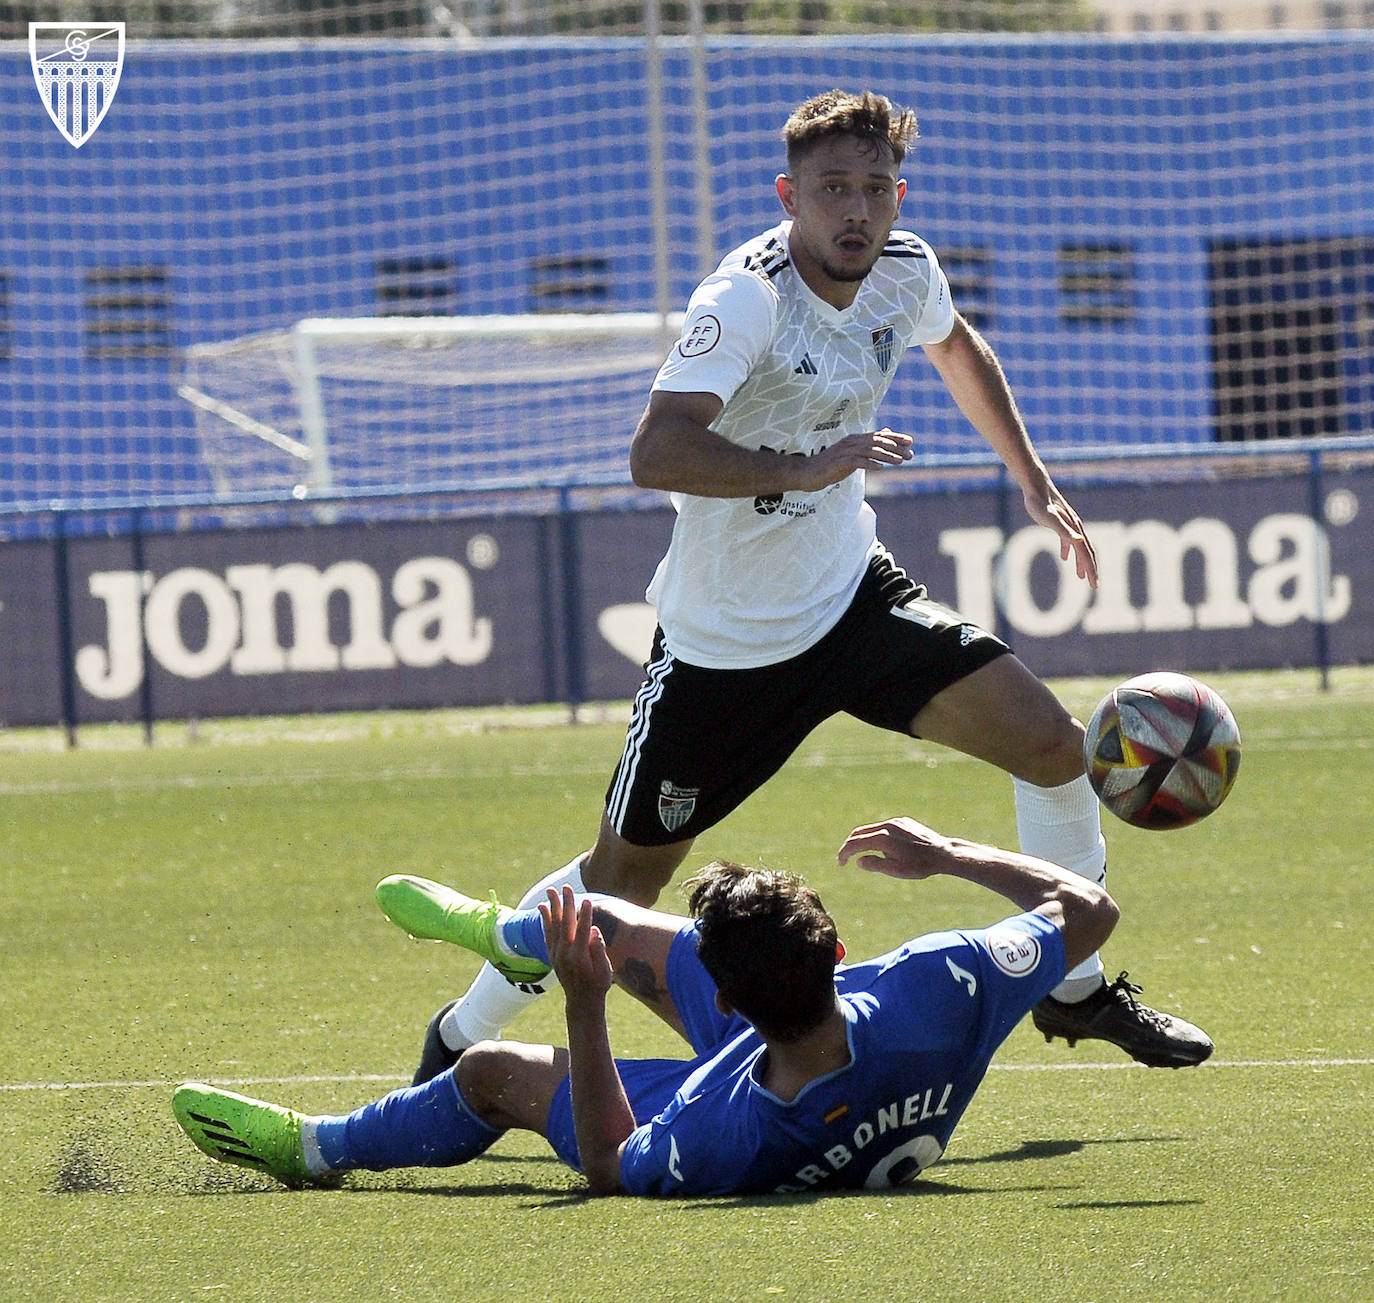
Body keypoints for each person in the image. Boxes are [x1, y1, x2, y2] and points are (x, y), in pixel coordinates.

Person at [425, 87, 1211, 1077]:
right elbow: (655, 450)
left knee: (1054, 746)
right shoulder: (745, 297)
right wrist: (800, 466)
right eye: (834, 189)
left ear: (898, 196)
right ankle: (460, 1034)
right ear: (790, 195)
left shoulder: (906, 269)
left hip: (853, 601)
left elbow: (957, 344)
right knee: (617, 891)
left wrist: (1036, 483)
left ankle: (1076, 992)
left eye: (875, 189)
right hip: (726, 650)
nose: (857, 210)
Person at [173, 816, 1121, 1197]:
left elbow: (607, 1164)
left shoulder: (720, 1131)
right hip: (841, 1055)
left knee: (487, 1071)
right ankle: (509, 934)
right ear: (836, 948)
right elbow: (1090, 910)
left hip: (761, 1081)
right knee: (613, 923)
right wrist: (949, 852)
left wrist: (586, 1006)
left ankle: (316, 1147)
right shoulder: (937, 990)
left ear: (727, 1004)